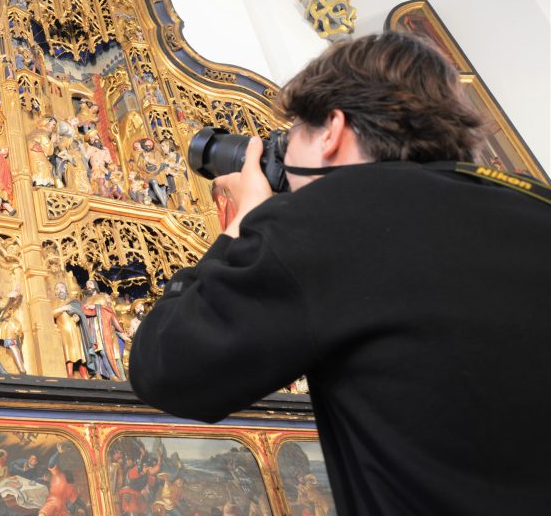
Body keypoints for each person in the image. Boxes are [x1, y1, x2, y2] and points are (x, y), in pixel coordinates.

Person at [129, 32, 551, 515]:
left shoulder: (325, 221)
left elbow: (166, 368)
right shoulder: (535, 205)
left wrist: (245, 220)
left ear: (332, 129)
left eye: (290, 139)